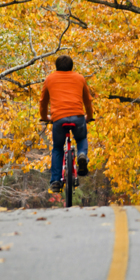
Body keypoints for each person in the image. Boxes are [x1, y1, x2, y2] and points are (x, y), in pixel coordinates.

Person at [39, 54, 94, 193]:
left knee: (57, 147)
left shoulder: (50, 78)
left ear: (56, 66)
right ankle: (82, 155)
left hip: (59, 118)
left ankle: (56, 180)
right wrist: (90, 116)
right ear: (72, 66)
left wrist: (45, 117)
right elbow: (88, 101)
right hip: (78, 116)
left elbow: (43, 101)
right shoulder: (80, 78)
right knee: (81, 138)